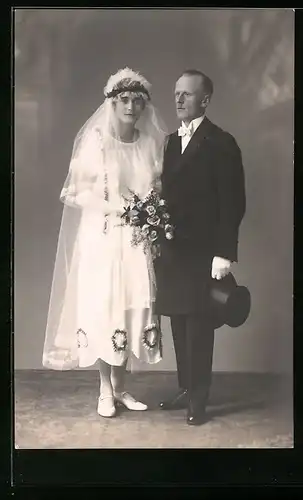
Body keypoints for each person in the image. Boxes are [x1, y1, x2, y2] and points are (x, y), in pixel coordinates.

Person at [42, 67, 166, 418]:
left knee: (130, 310)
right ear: (112, 103)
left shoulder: (149, 144)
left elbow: (156, 190)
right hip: (104, 236)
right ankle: (104, 390)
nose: (131, 107)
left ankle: (122, 387)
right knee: (105, 308)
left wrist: (147, 214)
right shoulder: (97, 142)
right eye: (124, 100)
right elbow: (76, 192)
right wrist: (117, 207)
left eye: (137, 101)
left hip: (136, 242)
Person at [154, 69, 246, 425]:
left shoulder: (221, 142)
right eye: (176, 93)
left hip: (205, 253)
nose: (178, 100)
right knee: (178, 319)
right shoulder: (171, 141)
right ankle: (186, 387)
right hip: (174, 251)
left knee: (199, 324)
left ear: (205, 100)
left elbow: (233, 202)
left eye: (187, 95)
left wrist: (224, 253)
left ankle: (200, 398)